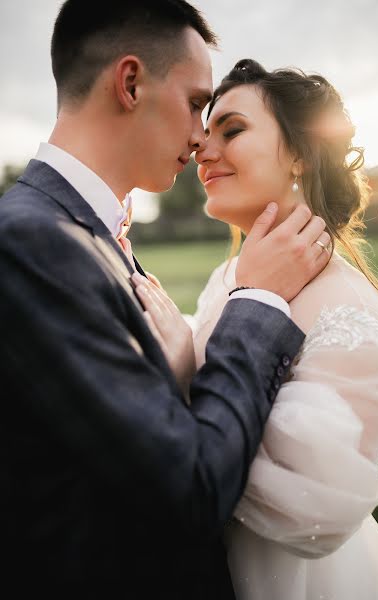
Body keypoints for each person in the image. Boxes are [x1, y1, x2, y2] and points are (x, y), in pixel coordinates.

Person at [0, 3, 331, 597]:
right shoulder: (31, 241)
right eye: (197, 104)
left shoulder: (82, 232)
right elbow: (190, 487)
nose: (201, 136)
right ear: (130, 83)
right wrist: (256, 299)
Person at [181, 58, 378, 599]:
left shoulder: (348, 306)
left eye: (230, 130)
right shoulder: (232, 275)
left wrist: (166, 399)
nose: (201, 151)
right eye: (204, 133)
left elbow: (316, 505)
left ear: (300, 153)